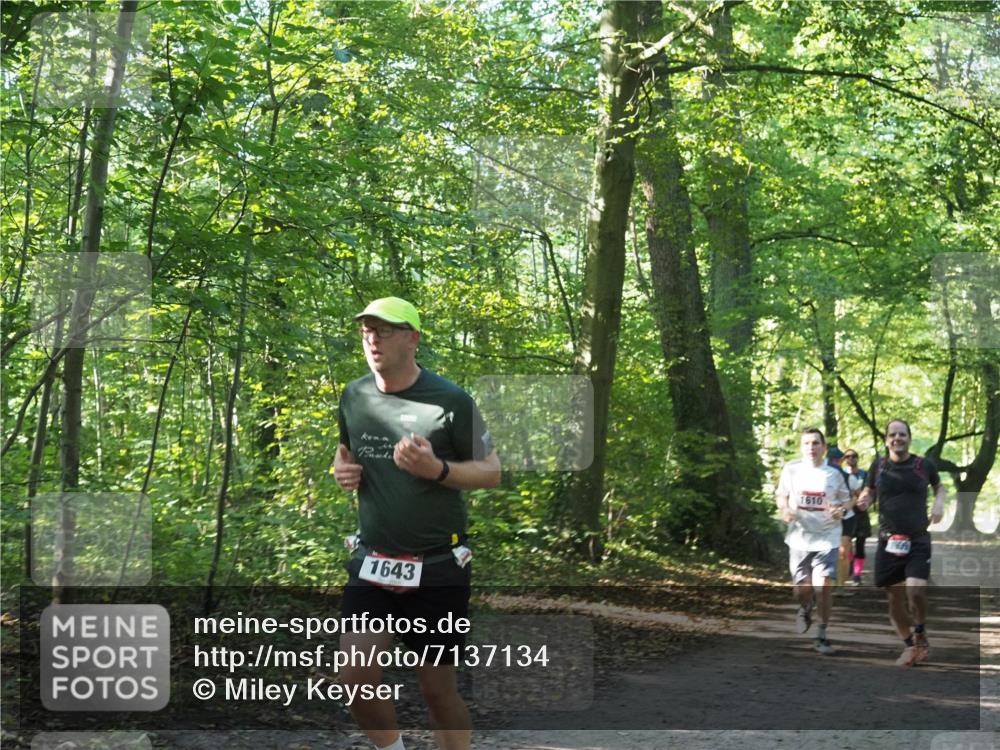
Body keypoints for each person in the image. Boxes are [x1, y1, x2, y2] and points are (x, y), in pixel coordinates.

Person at [333, 297, 501, 750]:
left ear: (413, 338)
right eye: (367, 330)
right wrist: (341, 470)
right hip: (373, 561)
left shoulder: (451, 401)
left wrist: (437, 470)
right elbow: (345, 452)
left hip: (439, 565)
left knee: (437, 691)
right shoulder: (354, 395)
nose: (373, 339)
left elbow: (492, 472)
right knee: (354, 678)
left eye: (384, 330)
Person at [856, 419, 945, 667]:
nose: (898, 438)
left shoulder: (923, 465)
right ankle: (910, 646)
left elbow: (939, 487)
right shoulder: (879, 466)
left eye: (902, 434)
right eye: (893, 434)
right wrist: (864, 499)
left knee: (915, 591)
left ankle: (920, 631)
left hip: (917, 538)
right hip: (888, 540)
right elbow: (869, 490)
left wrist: (939, 504)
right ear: (887, 440)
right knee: (894, 599)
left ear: (909, 438)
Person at [775, 427, 852, 655]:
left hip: (827, 537)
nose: (811, 447)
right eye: (807, 443)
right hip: (799, 538)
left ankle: (822, 634)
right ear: (801, 447)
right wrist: (785, 509)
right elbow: (781, 496)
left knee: (823, 584)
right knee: (802, 590)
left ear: (824, 447)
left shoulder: (835, 474)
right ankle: (805, 607)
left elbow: (848, 501)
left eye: (816, 443)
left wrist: (841, 510)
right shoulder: (791, 469)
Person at [841, 449, 870, 585]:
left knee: (860, 545)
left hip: (862, 514)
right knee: (846, 545)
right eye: (848, 456)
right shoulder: (840, 474)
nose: (851, 458)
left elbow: (871, 491)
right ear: (844, 459)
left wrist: (867, 503)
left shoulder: (865, 474)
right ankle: (848, 568)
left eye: (854, 456)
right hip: (846, 514)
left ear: (858, 458)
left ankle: (857, 575)